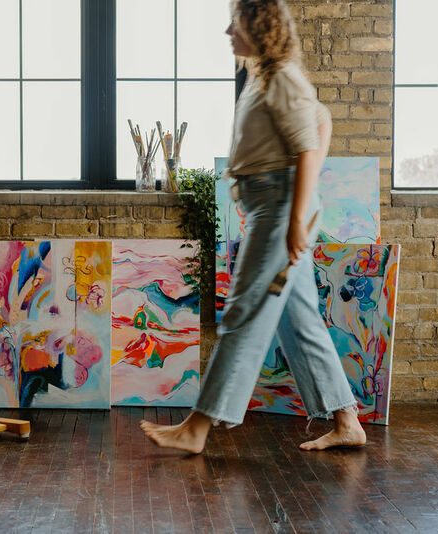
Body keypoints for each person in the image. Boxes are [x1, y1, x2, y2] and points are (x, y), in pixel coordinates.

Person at [140, 0, 366, 453]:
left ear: (257, 27)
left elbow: (307, 145)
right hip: (272, 205)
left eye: (235, 23)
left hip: (280, 209)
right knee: (299, 322)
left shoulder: (281, 76)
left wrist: (298, 217)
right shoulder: (263, 77)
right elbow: (321, 122)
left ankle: (196, 429)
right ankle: (346, 421)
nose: (227, 30)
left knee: (243, 313)